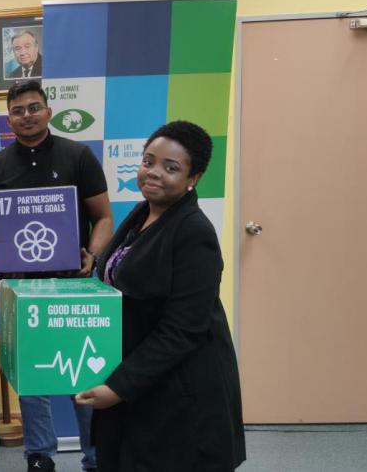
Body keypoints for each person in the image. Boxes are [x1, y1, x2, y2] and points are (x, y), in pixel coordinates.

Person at [75, 121, 245, 471]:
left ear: (192, 178)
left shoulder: (194, 232)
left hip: (178, 392)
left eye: (171, 168)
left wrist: (119, 387)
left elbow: (183, 330)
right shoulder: (143, 215)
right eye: (148, 161)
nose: (153, 173)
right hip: (139, 378)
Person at [0, 79, 113, 472]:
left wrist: (94, 254)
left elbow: (103, 218)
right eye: (17, 110)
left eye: (34, 107)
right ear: (9, 119)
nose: (26, 116)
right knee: (33, 382)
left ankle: (95, 458)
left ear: (48, 111)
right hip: (21, 290)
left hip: (73, 286)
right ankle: (40, 456)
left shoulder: (78, 156)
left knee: (81, 377)